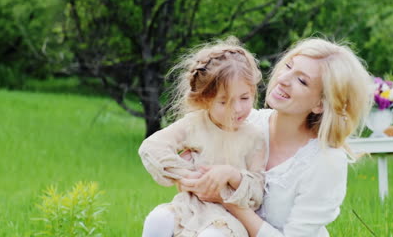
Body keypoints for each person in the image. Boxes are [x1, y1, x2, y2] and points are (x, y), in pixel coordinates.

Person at [180, 38, 373, 236]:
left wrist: (229, 201)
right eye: (288, 66)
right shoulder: (246, 123)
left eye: (302, 80)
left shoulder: (326, 161)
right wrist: (189, 175)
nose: (283, 79)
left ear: (320, 104)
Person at [138, 37, 267, 237]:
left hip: (228, 218)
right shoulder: (195, 124)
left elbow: (257, 192)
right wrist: (187, 174)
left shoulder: (255, 137)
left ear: (253, 92)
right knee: (158, 220)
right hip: (190, 207)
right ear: (205, 99)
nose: (237, 109)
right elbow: (151, 148)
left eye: (244, 98)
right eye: (224, 102)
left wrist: (232, 174)